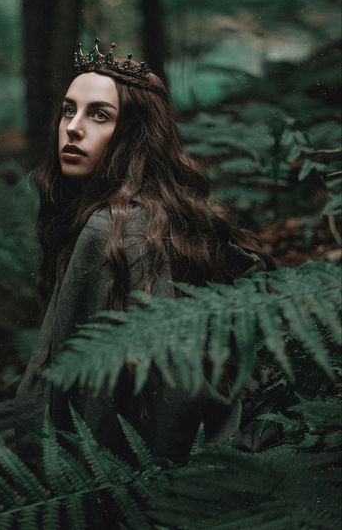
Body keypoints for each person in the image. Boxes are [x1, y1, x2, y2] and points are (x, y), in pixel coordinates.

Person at [15, 39, 272, 465]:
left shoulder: (113, 229)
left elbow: (84, 396)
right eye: (68, 110)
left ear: (134, 133)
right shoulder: (163, 212)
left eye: (99, 115)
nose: (73, 127)